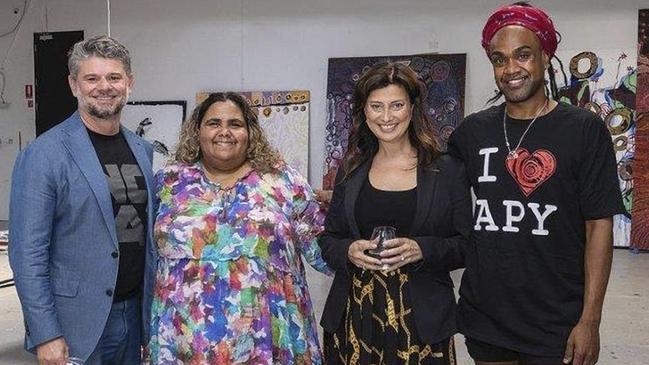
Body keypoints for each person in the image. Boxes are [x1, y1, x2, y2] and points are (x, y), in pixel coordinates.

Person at [448, 3, 625, 365]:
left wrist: (590, 320)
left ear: (546, 57)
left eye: (523, 55)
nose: (511, 69)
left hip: (555, 321)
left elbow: (599, 227)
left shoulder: (583, 130)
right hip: (486, 316)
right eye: (499, 59)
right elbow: (425, 183)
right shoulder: (472, 131)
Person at [147, 92, 331, 364]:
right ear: (197, 131)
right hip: (183, 343)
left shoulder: (282, 180)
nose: (224, 131)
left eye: (235, 124)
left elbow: (323, 248)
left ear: (250, 132)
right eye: (214, 123)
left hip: (269, 341)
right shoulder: (169, 182)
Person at [9, 35, 156, 364]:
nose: (104, 86)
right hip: (76, 321)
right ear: (74, 85)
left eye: (114, 77)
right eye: (92, 78)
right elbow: (27, 255)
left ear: (129, 83)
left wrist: (148, 323)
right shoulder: (43, 155)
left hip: (133, 317)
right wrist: (46, 333)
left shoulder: (143, 151)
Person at [318, 61, 472, 365]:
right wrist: (348, 250)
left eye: (396, 105)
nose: (386, 117)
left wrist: (422, 249)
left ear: (412, 108)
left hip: (421, 321)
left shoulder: (447, 169)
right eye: (376, 106)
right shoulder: (350, 170)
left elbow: (468, 244)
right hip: (353, 317)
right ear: (364, 111)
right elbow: (328, 240)